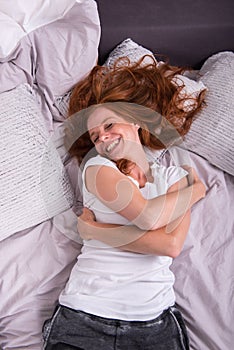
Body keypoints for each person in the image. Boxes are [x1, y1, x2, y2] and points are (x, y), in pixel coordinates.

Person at [43, 97, 206, 349]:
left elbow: (170, 245)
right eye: (95, 137)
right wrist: (195, 190)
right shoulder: (97, 168)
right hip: (85, 314)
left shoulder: (174, 176)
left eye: (109, 125)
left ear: (134, 121)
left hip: (155, 323)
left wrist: (95, 230)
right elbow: (148, 217)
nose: (103, 138)